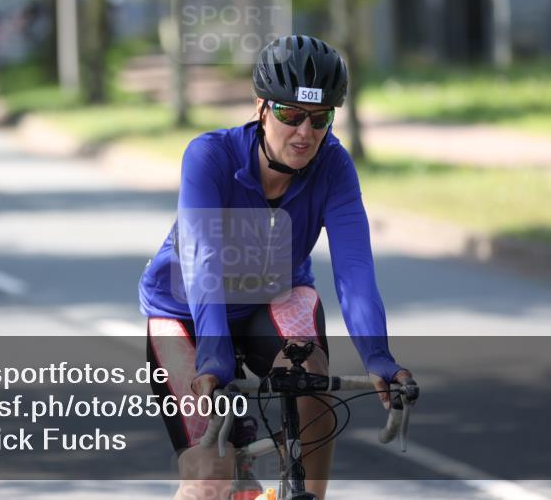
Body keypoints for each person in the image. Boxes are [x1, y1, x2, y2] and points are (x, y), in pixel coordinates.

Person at [139, 35, 413, 500]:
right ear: (261, 107)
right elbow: (204, 264)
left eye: (320, 117)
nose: (305, 132)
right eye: (290, 114)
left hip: (271, 299)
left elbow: (354, 271)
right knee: (211, 476)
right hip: (186, 312)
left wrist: (379, 357)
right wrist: (214, 357)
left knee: (310, 375)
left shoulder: (334, 166)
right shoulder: (209, 157)